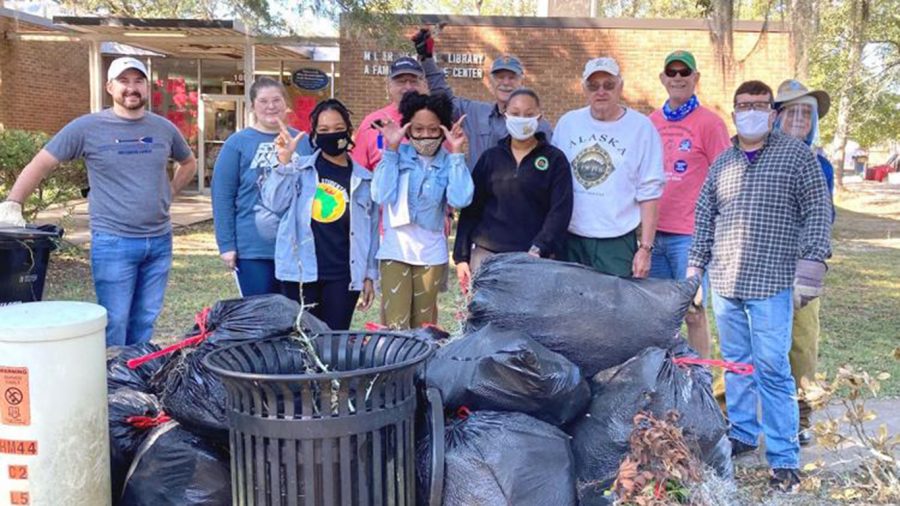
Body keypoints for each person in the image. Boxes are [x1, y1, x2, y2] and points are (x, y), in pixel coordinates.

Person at [687, 80, 832, 492]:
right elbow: (704, 217)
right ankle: (744, 434)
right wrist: (694, 270)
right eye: (743, 105)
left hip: (772, 282)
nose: (751, 111)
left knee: (772, 368)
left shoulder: (796, 158)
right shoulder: (723, 162)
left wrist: (811, 266)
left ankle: (784, 457)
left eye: (759, 105)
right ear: (734, 113)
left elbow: (817, 213)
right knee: (736, 364)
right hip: (728, 281)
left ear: (771, 113)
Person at [0, 57, 197, 347]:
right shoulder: (87, 127)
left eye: (138, 81)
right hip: (114, 242)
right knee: (115, 320)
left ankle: (134, 378)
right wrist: (13, 202)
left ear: (147, 86)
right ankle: (112, 383)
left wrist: (169, 192)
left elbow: (189, 162)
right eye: (124, 81)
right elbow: (42, 163)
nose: (132, 88)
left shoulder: (163, 128)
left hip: (159, 240)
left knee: (145, 318)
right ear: (109, 87)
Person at [261, 99, 378, 330]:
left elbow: (372, 232)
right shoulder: (298, 170)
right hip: (301, 272)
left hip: (343, 275)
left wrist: (369, 274)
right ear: (314, 134)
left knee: (334, 342)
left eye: (338, 129)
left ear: (349, 131)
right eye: (323, 130)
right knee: (302, 341)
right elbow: (274, 203)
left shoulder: (364, 180)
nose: (332, 135)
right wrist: (283, 162)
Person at [648, 50, 731, 359]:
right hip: (653, 236)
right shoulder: (651, 122)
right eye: (673, 72)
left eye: (685, 73)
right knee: (658, 317)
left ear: (696, 79)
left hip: (690, 237)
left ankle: (700, 381)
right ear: (663, 78)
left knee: (693, 311)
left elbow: (726, 177)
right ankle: (662, 379)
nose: (678, 77)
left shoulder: (710, 123)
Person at [552, 56, 665, 278]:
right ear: (584, 89)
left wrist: (645, 248)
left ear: (620, 86)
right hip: (571, 237)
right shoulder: (568, 124)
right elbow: (554, 183)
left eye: (608, 85)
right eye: (593, 86)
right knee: (570, 309)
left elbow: (650, 191)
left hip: (616, 240)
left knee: (614, 311)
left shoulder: (641, 128)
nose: (601, 91)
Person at [371, 91, 473, 329]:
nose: (425, 136)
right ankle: (395, 367)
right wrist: (391, 150)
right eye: (418, 129)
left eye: (433, 129)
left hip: (430, 253)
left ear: (443, 129)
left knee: (424, 328)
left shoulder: (450, 161)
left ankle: (422, 368)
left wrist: (457, 152)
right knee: (396, 327)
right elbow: (380, 195)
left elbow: (461, 198)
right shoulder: (396, 155)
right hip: (395, 251)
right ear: (408, 129)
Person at [454, 88, 573, 291]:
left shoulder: (555, 160)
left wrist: (540, 248)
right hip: (487, 257)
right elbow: (472, 209)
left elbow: (560, 210)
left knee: (528, 321)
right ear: (506, 115)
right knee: (486, 320)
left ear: (539, 117)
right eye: (516, 113)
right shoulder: (490, 158)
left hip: (534, 258)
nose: (521, 119)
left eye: (528, 114)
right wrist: (461, 256)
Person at [773, 79, 836, 446]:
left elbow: (825, 216)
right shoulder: (759, 155)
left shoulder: (821, 165)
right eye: (791, 111)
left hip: (801, 267)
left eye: (806, 113)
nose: (799, 118)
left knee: (801, 344)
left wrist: (814, 260)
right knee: (746, 342)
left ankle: (801, 417)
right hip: (760, 266)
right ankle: (732, 412)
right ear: (777, 116)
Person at [212, 77, 307, 297]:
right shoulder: (237, 143)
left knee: (295, 318)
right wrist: (226, 245)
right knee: (260, 317)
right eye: (263, 101)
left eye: (276, 100)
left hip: (296, 247)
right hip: (254, 248)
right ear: (252, 106)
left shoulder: (302, 141)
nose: (271, 106)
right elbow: (223, 196)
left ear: (286, 103)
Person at [412, 27, 553, 165]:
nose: (505, 83)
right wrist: (427, 59)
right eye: (500, 77)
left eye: (512, 77)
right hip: (477, 188)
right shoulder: (475, 112)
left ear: (522, 81)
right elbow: (445, 99)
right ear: (491, 81)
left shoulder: (537, 125)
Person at [351, 56, 429, 171]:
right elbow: (357, 171)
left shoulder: (435, 121)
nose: (408, 87)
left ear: (424, 85)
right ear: (389, 86)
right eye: (401, 82)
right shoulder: (372, 122)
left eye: (414, 81)